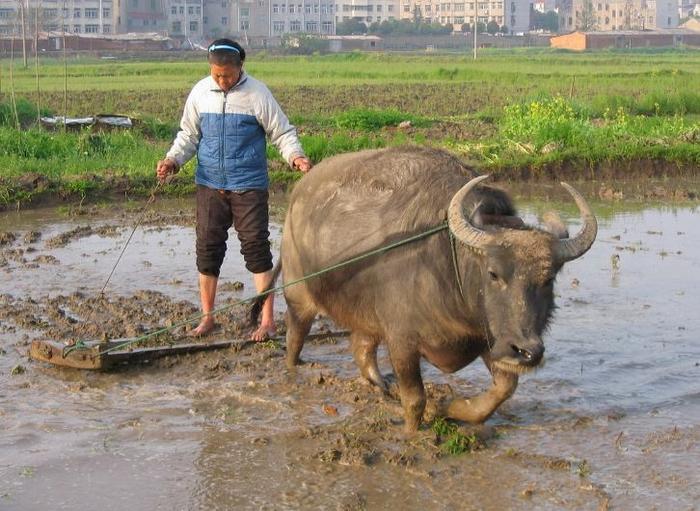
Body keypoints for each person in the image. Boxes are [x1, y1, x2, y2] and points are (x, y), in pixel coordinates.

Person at [156, 39, 312, 341]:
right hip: (210, 185)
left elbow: (281, 132)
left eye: (226, 75)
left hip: (248, 186)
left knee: (256, 249)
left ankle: (267, 321)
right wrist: (173, 160)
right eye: (216, 74)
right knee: (207, 249)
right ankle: (207, 318)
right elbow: (188, 134)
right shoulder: (201, 92)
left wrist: (296, 156)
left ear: (240, 68)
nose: (221, 80)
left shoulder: (257, 94)